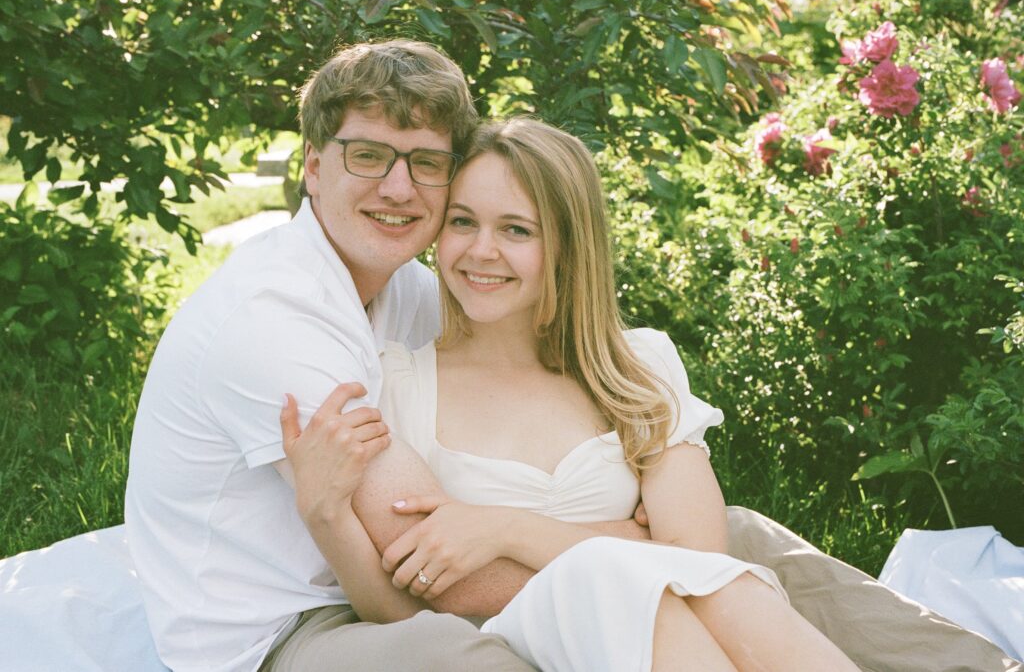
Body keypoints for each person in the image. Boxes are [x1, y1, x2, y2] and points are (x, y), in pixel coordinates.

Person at [278, 117, 861, 671]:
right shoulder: (400, 385)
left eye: (516, 229)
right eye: (461, 222)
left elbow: (699, 556)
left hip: (672, 628)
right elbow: (407, 602)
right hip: (512, 649)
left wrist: (503, 529)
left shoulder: (634, 368)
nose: (481, 250)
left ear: (567, 243)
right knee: (628, 588)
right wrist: (637, 540)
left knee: (715, 587)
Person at [123, 40, 536, 672]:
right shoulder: (271, 321)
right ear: (314, 166)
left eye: (427, 162)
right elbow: (440, 575)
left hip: (371, 590)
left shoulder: (410, 287)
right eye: (368, 156)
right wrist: (649, 554)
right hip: (279, 630)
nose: (399, 188)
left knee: (738, 538)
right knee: (468, 664)